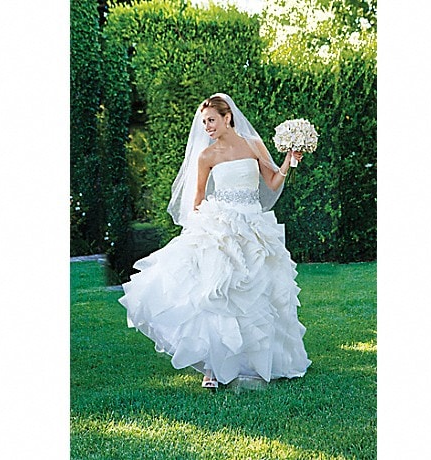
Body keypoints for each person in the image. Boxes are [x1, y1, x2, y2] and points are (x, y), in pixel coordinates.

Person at [119, 93, 311, 389]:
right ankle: (212, 366)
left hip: (254, 227)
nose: (206, 126)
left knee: (259, 296)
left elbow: (272, 183)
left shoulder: (252, 145)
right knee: (216, 294)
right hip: (221, 226)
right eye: (204, 122)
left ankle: (259, 361)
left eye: (211, 120)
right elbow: (197, 197)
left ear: (227, 118)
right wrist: (196, 232)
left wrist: (288, 161)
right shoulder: (207, 156)